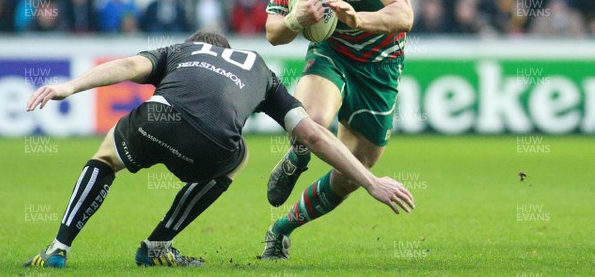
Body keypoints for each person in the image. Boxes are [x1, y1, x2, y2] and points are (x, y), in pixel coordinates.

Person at [24, 31, 414, 269]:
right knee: (240, 153)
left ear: (197, 46)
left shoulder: (181, 50)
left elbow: (128, 65)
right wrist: (369, 181)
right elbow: (313, 135)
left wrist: (69, 87)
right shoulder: (260, 69)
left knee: (106, 158)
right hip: (210, 146)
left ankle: (58, 248)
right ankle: (158, 244)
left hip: (157, 120)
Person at [263, 0, 414, 259]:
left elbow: (403, 14)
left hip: (380, 66)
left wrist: (357, 18)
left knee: (350, 174)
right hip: (332, 52)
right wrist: (296, 19)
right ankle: (299, 152)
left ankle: (282, 228)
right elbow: (272, 32)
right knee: (309, 120)